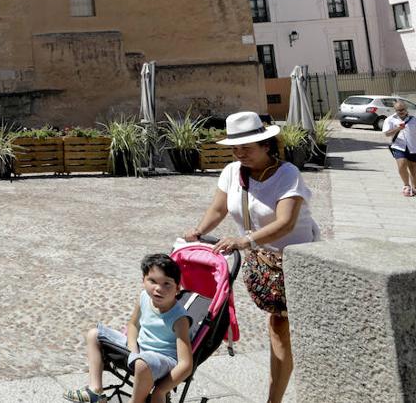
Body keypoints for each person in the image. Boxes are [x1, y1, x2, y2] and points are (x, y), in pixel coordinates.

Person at [182, 111, 319, 403]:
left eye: (246, 148)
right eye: (235, 148)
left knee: (281, 327)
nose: (239, 153)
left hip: (296, 262)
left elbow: (286, 223)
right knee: (282, 326)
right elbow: (218, 209)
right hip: (262, 262)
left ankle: (275, 398)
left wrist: (244, 240)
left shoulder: (287, 175)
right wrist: (197, 231)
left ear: (266, 145)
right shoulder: (232, 171)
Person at [64, 253, 193, 403]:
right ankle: (95, 391)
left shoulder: (179, 319)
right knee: (94, 334)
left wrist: (161, 390)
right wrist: (133, 350)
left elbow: (186, 364)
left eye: (167, 284)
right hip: (140, 350)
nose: (158, 288)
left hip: (163, 359)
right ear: (143, 281)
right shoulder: (144, 297)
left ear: (178, 288)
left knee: (142, 363)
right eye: (152, 281)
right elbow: (133, 325)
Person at [383, 101, 416, 197]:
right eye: (398, 110)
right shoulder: (390, 120)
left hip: (413, 147)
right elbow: (387, 134)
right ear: (395, 110)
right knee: (402, 165)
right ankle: (406, 186)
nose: (401, 112)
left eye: (402, 109)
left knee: (413, 168)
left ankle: (414, 188)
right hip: (398, 146)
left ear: (406, 109)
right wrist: (397, 128)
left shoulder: (415, 119)